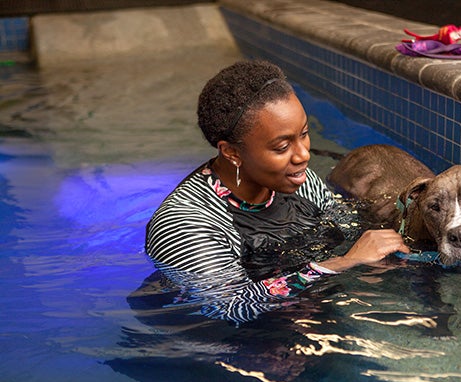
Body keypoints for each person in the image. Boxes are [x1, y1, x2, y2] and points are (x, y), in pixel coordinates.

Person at [144, 60, 409, 323]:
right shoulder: (185, 223)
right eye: (282, 147)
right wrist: (343, 263)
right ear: (232, 153)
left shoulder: (301, 183)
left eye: (303, 134)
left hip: (301, 311)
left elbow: (343, 227)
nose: (303, 155)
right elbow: (230, 306)